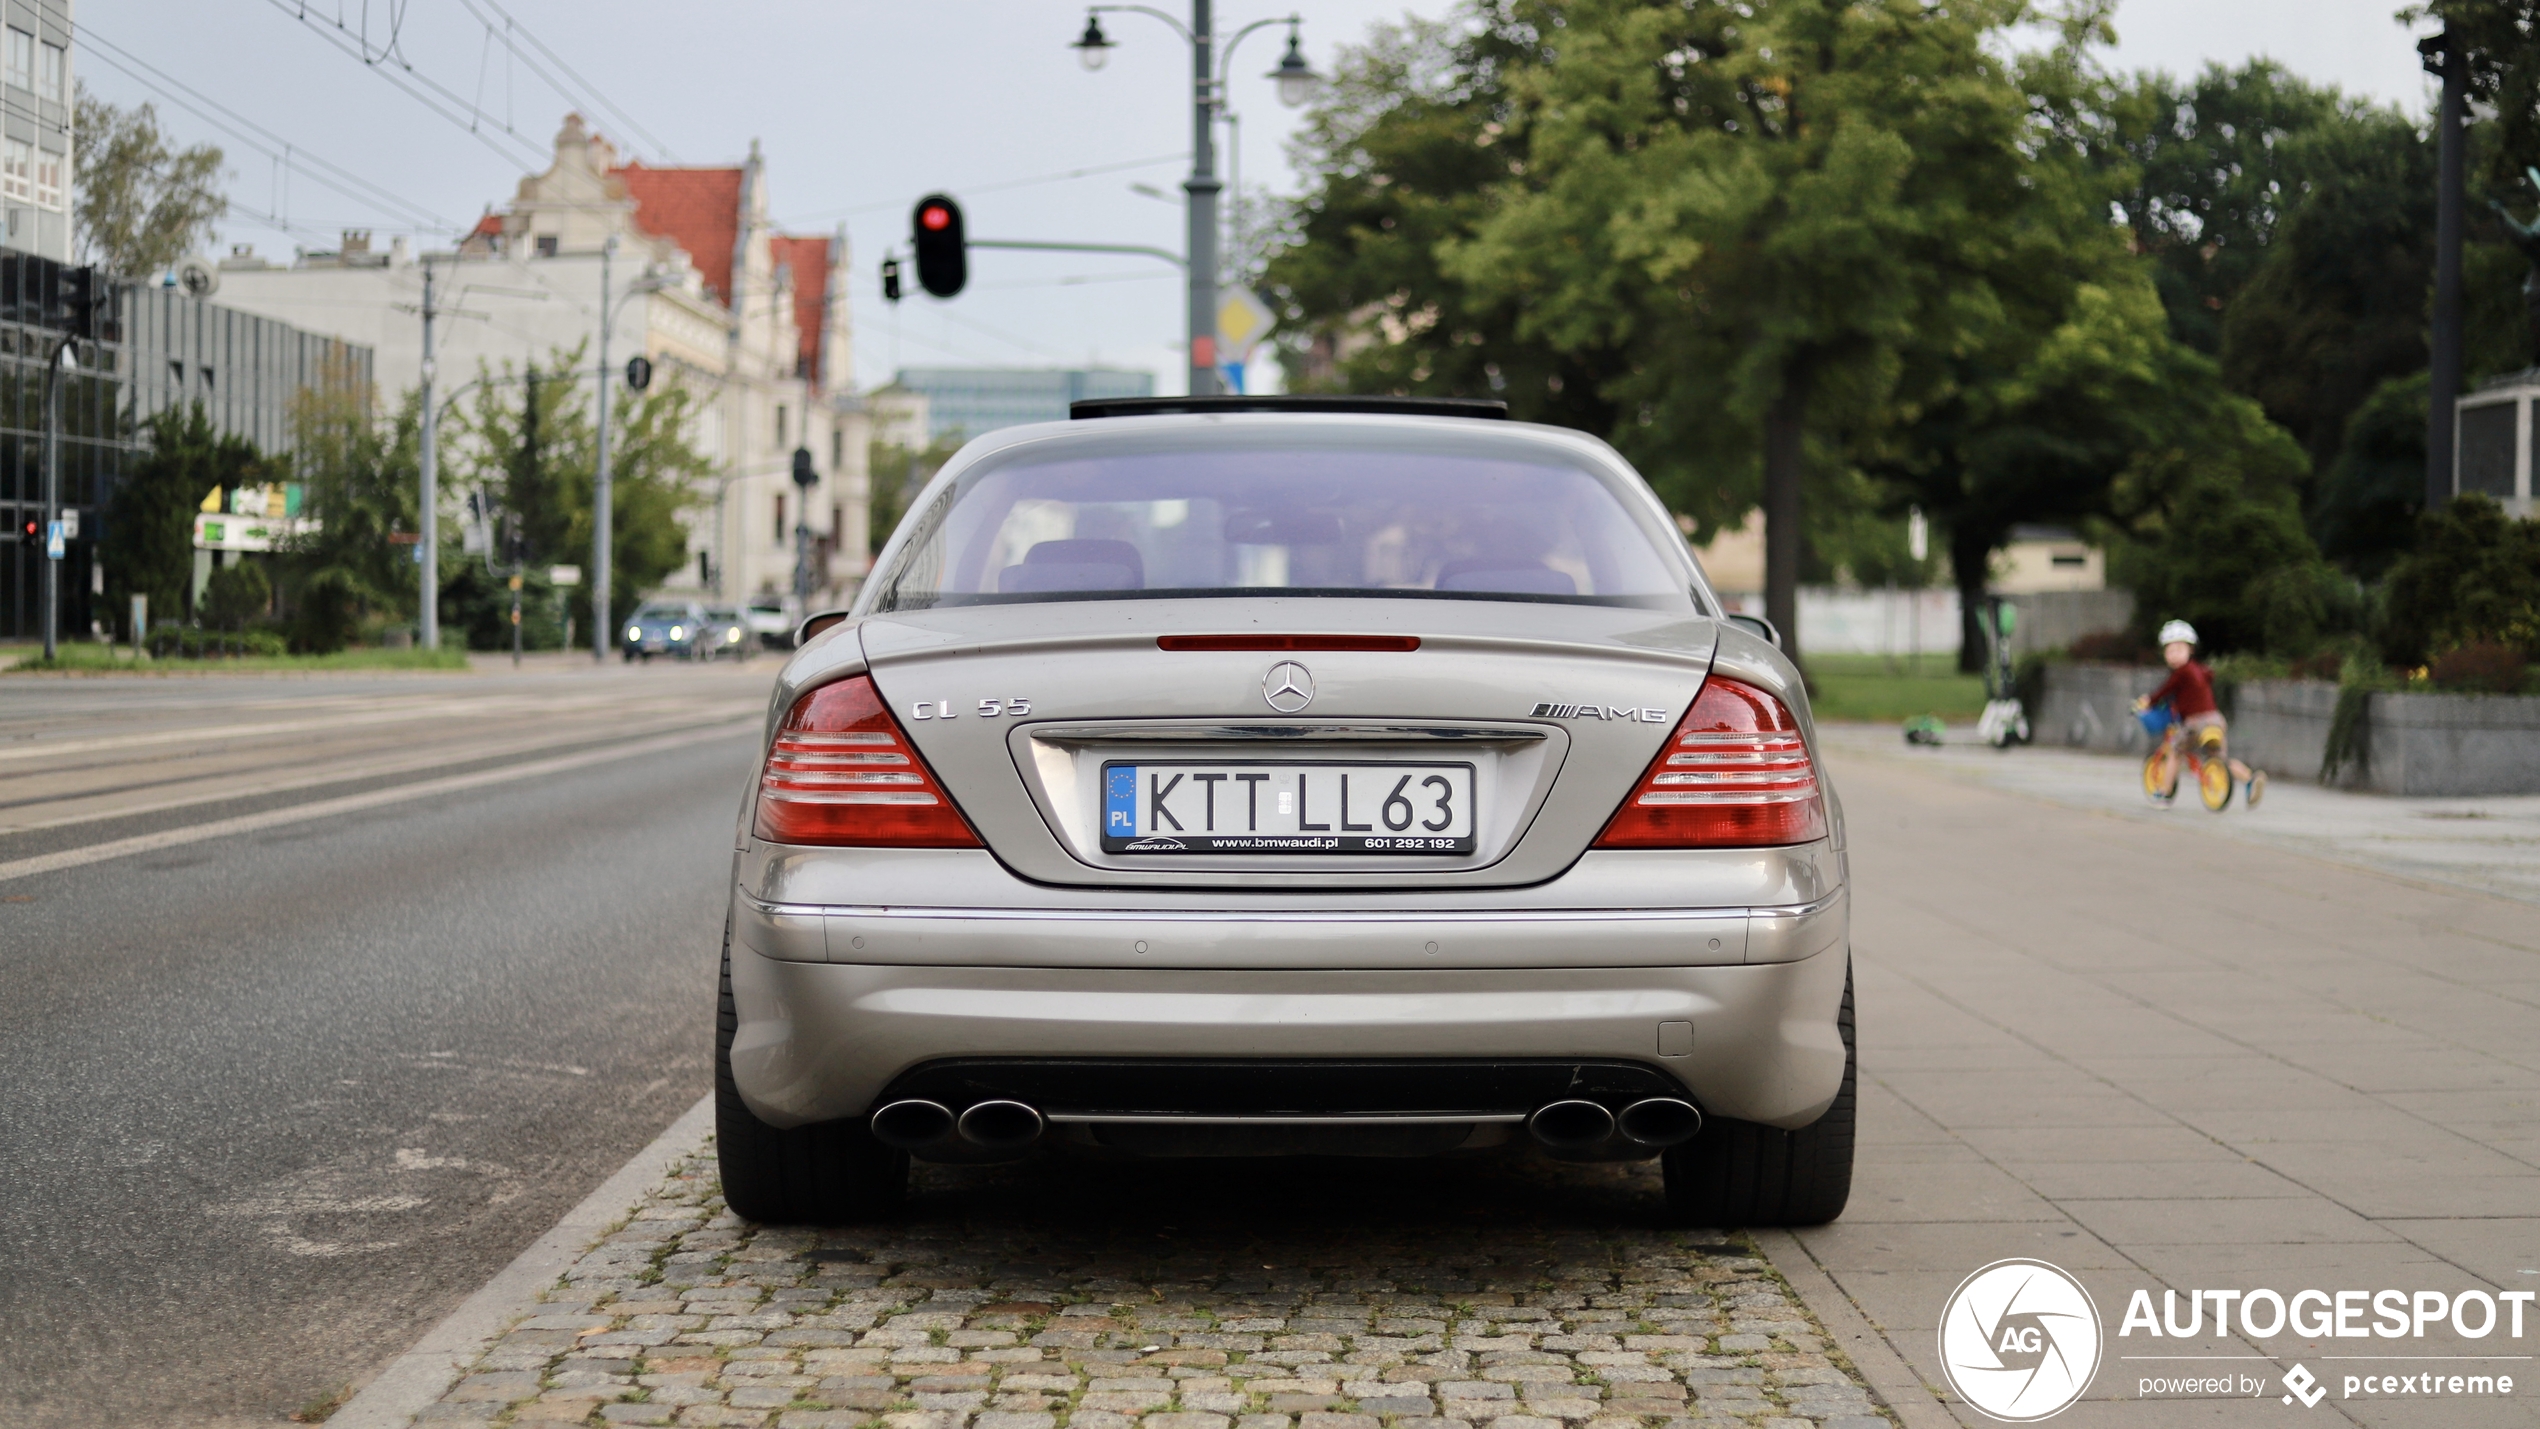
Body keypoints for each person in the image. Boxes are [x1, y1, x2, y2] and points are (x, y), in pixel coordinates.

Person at [2133, 620, 2265, 807]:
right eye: (2170, 651)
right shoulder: (2200, 670)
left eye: (2179, 650)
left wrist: (2148, 701)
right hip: (2216, 720)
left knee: (2174, 752)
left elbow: (2164, 692)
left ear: (2190, 650)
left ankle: (2163, 792)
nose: (2174, 655)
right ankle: (2250, 779)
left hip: (2195, 723)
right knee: (2219, 759)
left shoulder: (2181, 673)